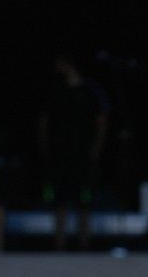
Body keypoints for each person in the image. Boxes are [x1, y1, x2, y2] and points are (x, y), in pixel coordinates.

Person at [37, 53, 110, 249]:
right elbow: (44, 122)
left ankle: (84, 245)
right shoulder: (55, 90)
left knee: (84, 201)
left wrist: (95, 149)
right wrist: (46, 148)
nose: (56, 68)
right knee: (60, 200)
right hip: (59, 154)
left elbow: (102, 122)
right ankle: (59, 244)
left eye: (60, 64)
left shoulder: (91, 90)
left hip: (83, 154)